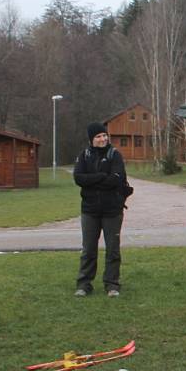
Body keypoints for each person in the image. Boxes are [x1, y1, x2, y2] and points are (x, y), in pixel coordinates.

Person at [73, 122, 127, 297]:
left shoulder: (115, 155)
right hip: (90, 210)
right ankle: (84, 284)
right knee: (88, 249)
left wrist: (92, 181)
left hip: (112, 210)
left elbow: (116, 180)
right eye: (98, 136)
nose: (103, 139)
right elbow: (78, 178)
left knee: (112, 249)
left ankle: (112, 285)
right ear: (91, 139)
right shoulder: (84, 156)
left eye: (104, 135)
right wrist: (102, 176)